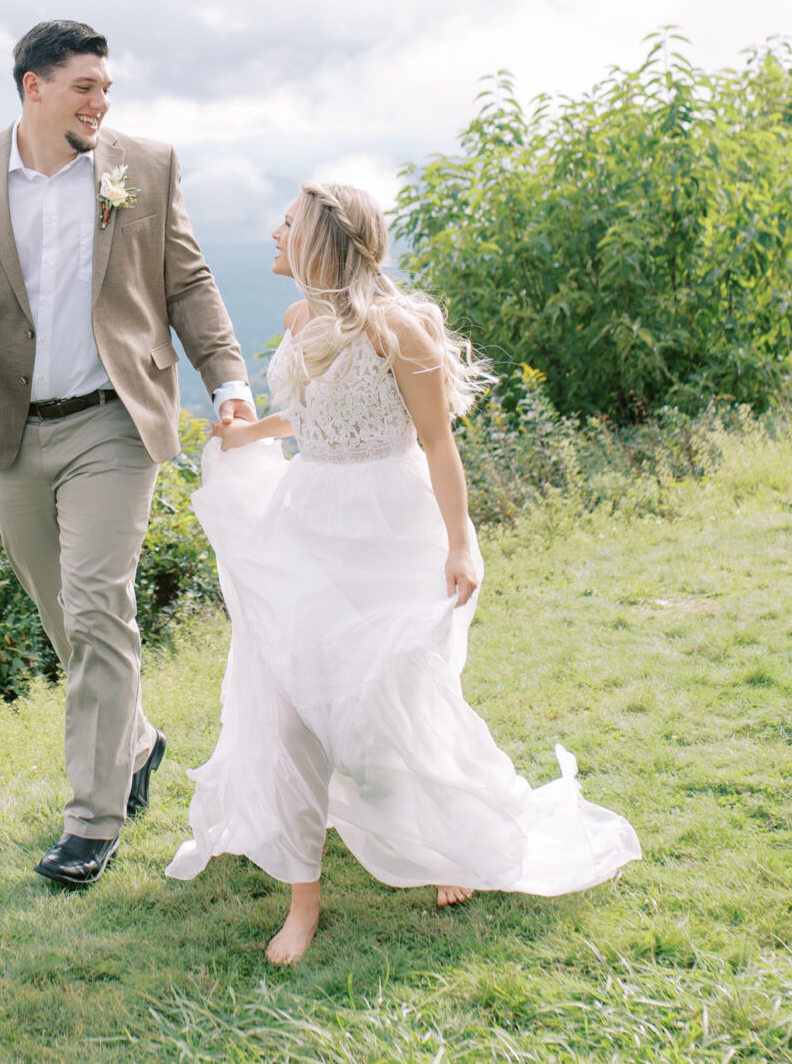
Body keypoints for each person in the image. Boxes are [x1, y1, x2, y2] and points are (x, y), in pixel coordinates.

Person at [165, 180, 641, 963]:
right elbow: (317, 416)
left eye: (286, 223)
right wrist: (256, 434)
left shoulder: (400, 328)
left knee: (387, 699)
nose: (274, 232)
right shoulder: (295, 319)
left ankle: (450, 841)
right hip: (307, 520)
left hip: (389, 526)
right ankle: (303, 900)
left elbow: (436, 442)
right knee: (288, 701)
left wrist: (464, 542)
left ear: (322, 239)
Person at [0, 20, 255, 890]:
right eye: (84, 88)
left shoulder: (142, 166)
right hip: (9, 430)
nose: (100, 103)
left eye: (106, 89)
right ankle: (135, 740)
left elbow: (187, 281)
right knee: (64, 617)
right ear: (33, 87)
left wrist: (227, 380)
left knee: (97, 603)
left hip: (115, 420)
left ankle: (91, 822)